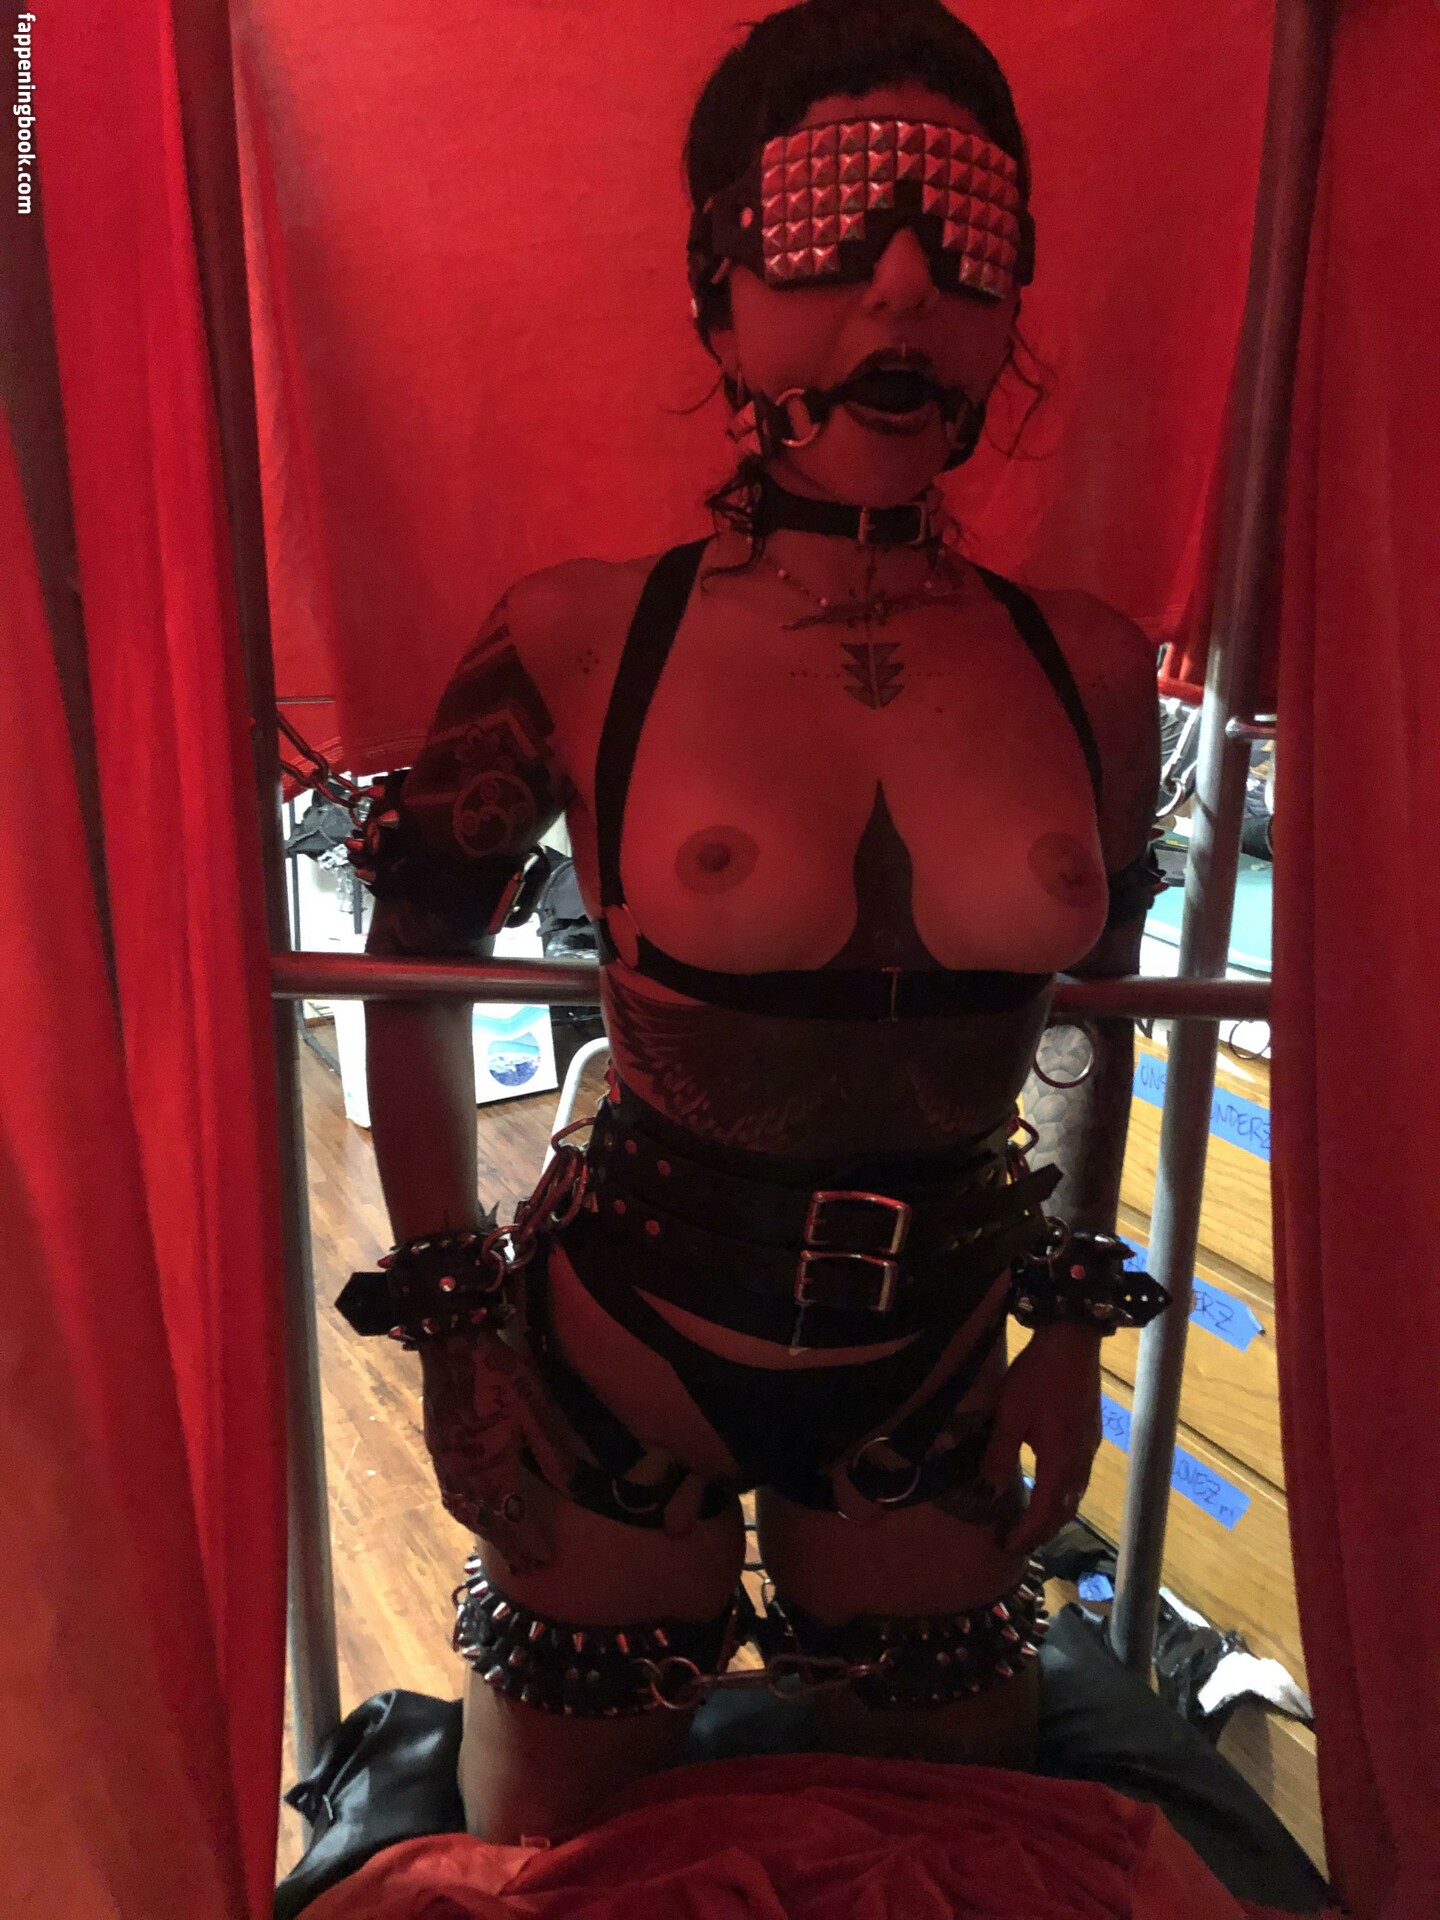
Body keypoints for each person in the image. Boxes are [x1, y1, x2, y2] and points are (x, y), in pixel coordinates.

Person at [347, 0, 1166, 1849]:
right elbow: (408, 972)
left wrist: (1068, 1319)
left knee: (952, 1850)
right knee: (562, 1864)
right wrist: (458, 1324)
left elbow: (1098, 1009)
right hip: (616, 1349)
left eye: (962, 225)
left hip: (941, 1352)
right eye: (830, 220)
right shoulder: (574, 634)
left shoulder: (1093, 668)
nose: (904, 285)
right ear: (718, 290)